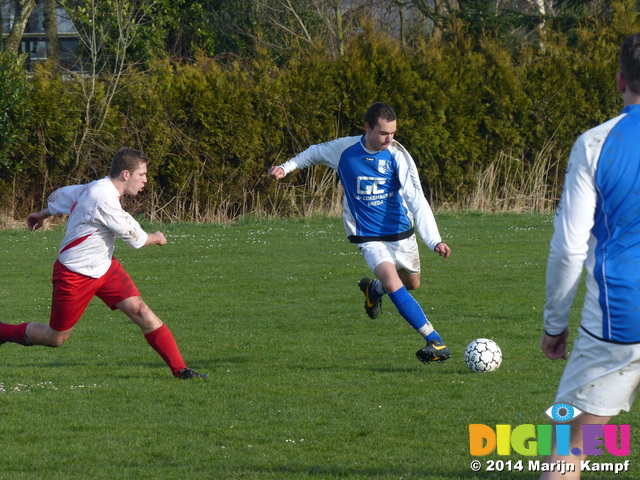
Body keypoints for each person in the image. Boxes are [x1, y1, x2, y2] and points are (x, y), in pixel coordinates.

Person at [0, 147, 208, 380]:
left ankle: (181, 371)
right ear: (126, 174)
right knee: (55, 338)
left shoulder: (97, 187)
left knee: (141, 311)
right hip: (74, 274)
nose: (146, 180)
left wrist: (43, 213)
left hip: (105, 267)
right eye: (142, 175)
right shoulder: (104, 199)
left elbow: (64, 196)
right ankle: (2, 331)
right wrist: (158, 238)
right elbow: (136, 239)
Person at [268, 102, 452, 364]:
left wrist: (434, 240)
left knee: (411, 284)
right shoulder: (344, 149)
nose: (390, 139)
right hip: (366, 233)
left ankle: (372, 291)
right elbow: (312, 153)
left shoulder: (398, 156)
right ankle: (435, 341)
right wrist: (285, 168)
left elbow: (416, 200)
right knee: (393, 283)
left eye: (393, 133)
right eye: (383, 133)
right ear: (367, 128)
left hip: (400, 232)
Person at [540, 33, 640, 479]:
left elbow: (568, 248)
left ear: (620, 81)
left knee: (568, 442)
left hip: (619, 322)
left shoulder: (595, 144)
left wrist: (553, 326)